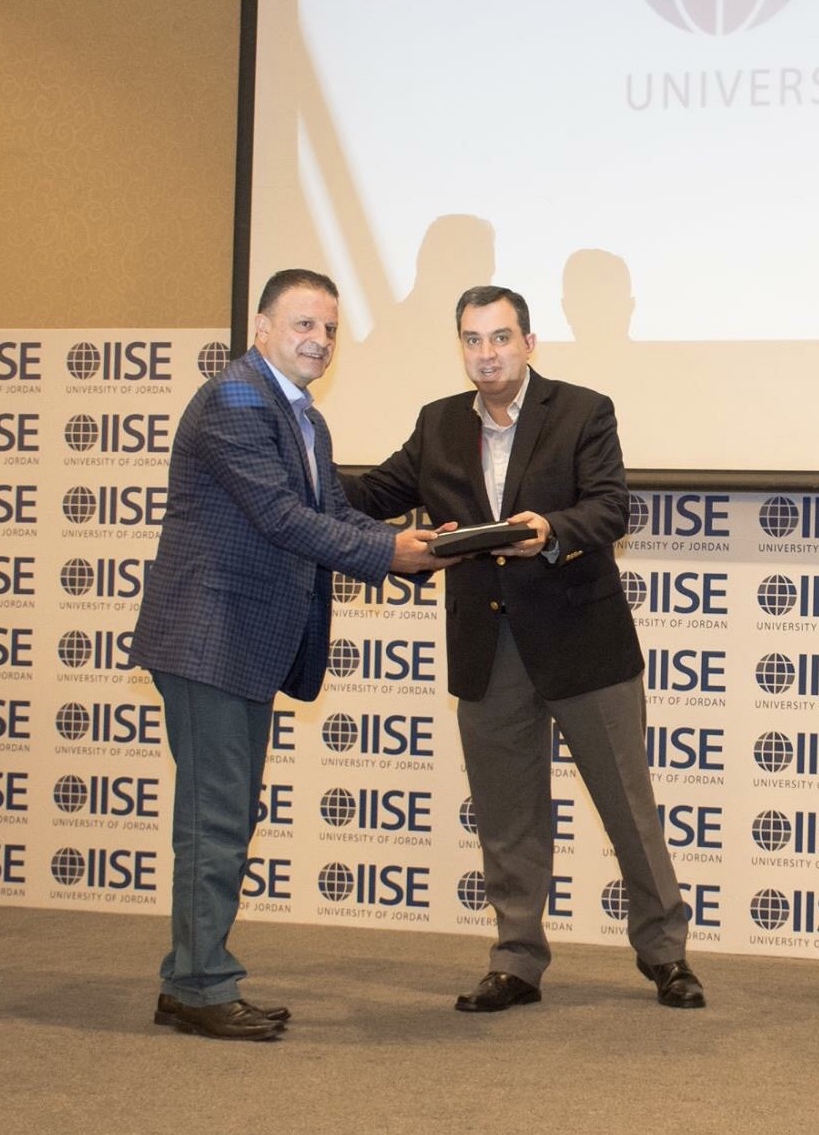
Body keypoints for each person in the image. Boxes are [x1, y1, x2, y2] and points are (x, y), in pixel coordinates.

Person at [340, 285, 704, 1012]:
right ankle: (516, 959)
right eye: (472, 340)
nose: (487, 354)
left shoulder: (582, 410)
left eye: (500, 338)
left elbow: (611, 506)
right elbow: (375, 492)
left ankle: (666, 953)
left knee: (628, 810)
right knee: (507, 817)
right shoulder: (438, 423)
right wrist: (292, 466)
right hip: (488, 645)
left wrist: (552, 530)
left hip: (583, 643)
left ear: (529, 343)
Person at [132, 268, 450, 1041]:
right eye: (304, 323)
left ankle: (193, 978)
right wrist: (389, 553)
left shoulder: (304, 418)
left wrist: (418, 545)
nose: (319, 339)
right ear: (262, 327)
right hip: (208, 638)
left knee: (228, 815)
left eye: (330, 328)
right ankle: (199, 986)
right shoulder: (236, 399)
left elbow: (332, 511)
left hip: (245, 643)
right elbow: (281, 517)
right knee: (215, 819)